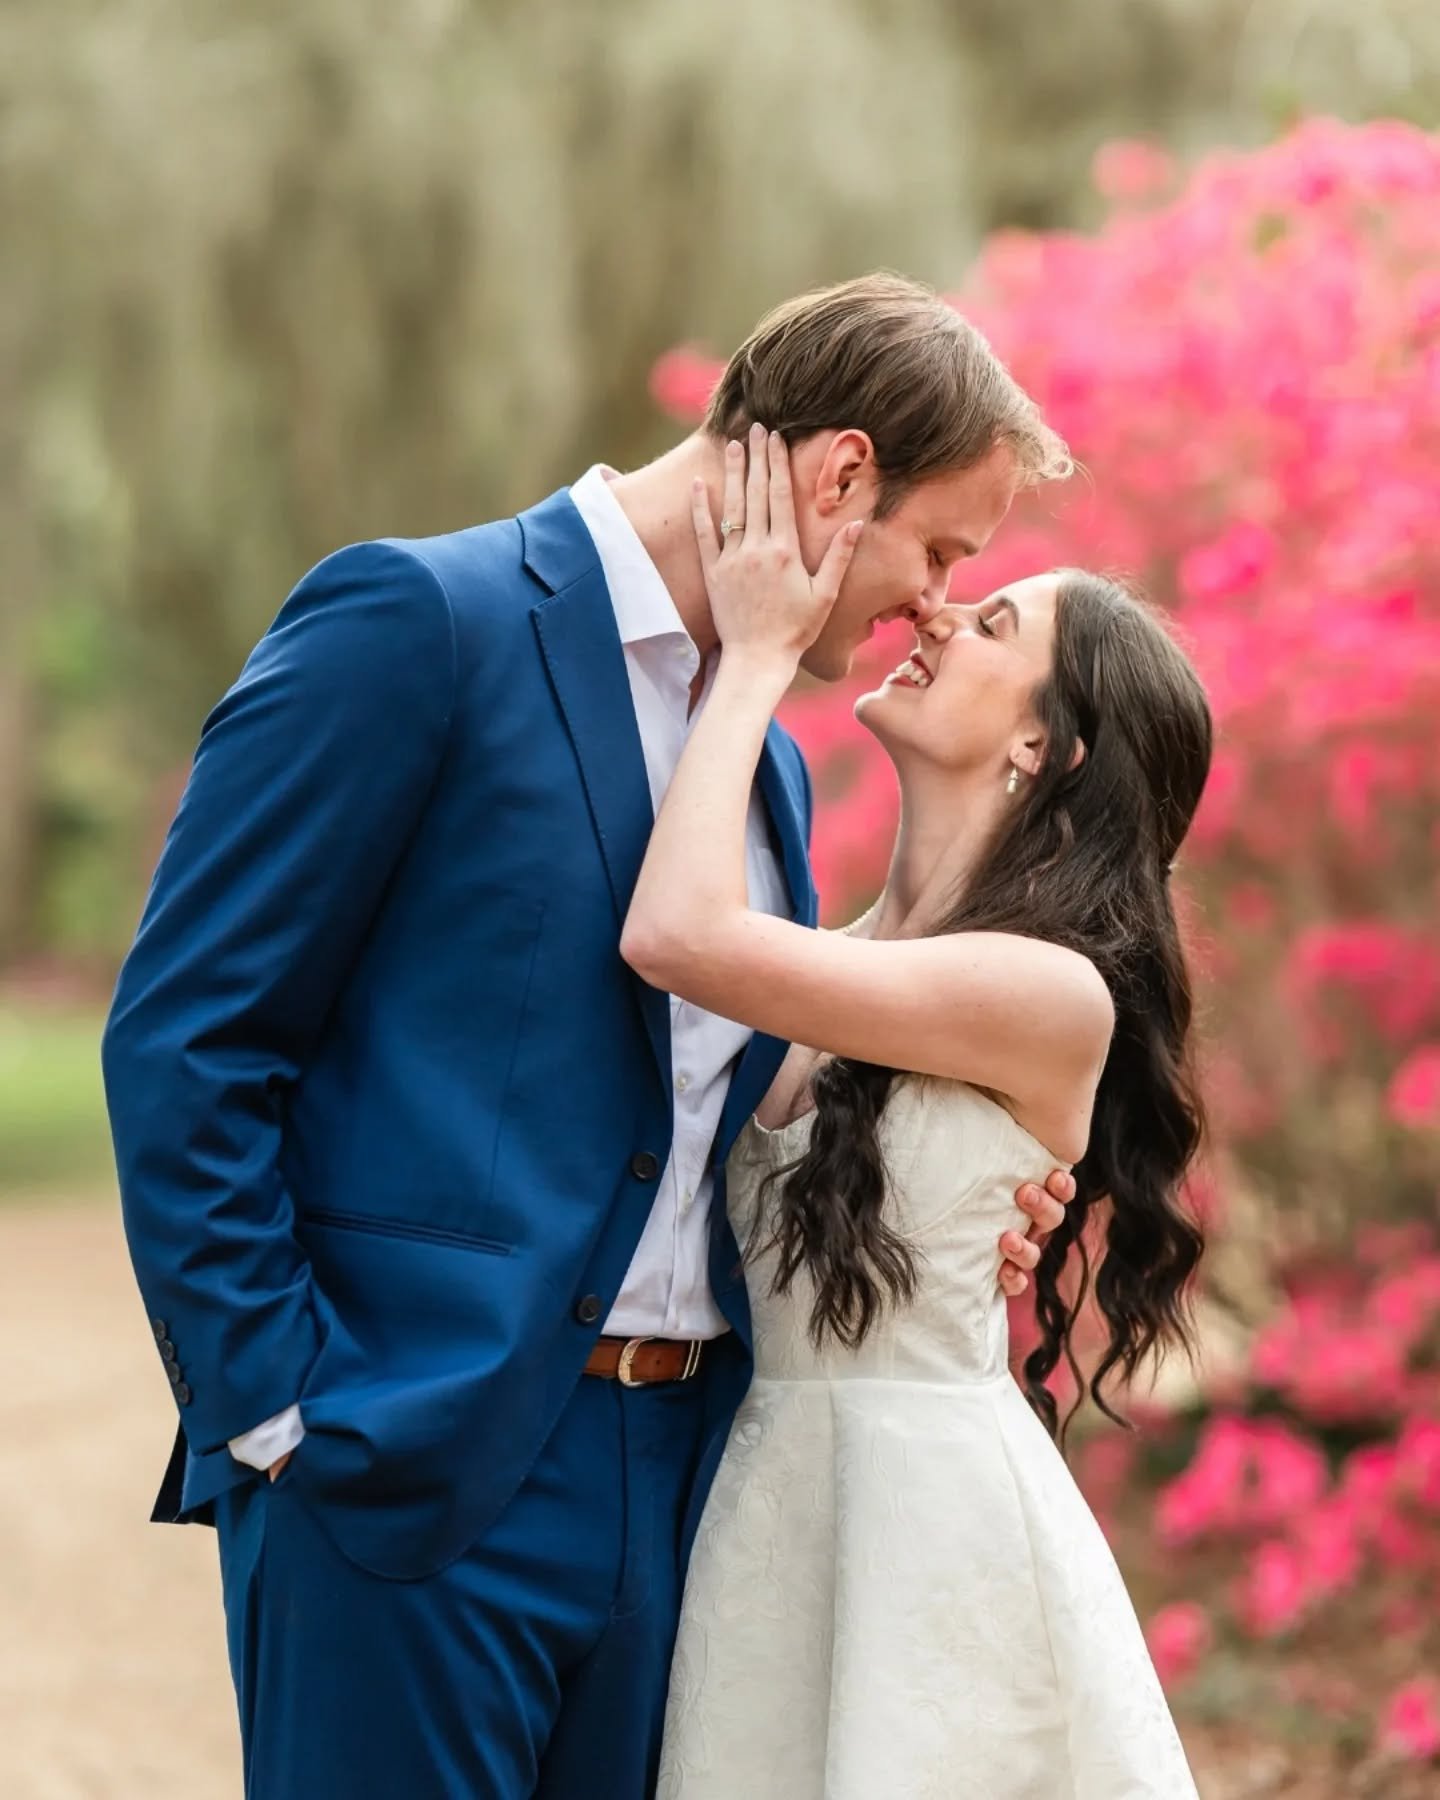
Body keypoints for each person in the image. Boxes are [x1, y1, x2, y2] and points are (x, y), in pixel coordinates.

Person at [101, 274, 1079, 1800]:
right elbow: (188, 1038)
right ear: (838, 477)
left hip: (681, 1492)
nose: (938, 602)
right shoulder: (423, 622)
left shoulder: (768, 780)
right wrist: (283, 1411)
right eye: (941, 548)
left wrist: (964, 1187)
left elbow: (718, 1113)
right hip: (406, 1468)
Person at [623, 430, 1211, 1798]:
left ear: (1039, 744)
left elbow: (674, 930)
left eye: (995, 618)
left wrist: (761, 653)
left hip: (938, 1548)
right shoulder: (828, 955)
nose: (941, 607)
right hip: (771, 1520)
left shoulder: (1049, 996)